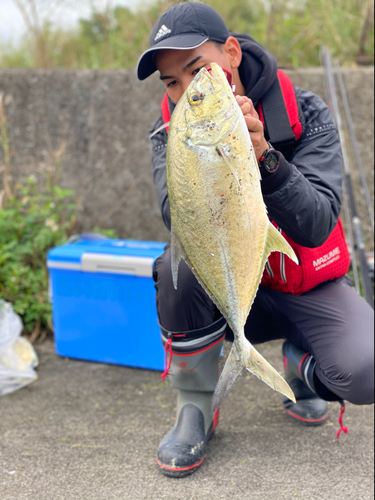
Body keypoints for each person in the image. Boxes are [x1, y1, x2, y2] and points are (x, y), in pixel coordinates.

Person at [136, 2, 374, 478]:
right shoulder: (171, 129)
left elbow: (319, 222)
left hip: (303, 285)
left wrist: (264, 155)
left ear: (231, 52)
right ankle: (196, 406)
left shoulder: (306, 112)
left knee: (366, 369)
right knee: (173, 270)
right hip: (234, 290)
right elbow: (172, 215)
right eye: (172, 83)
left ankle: (300, 362)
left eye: (197, 71)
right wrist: (210, 163)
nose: (186, 91)